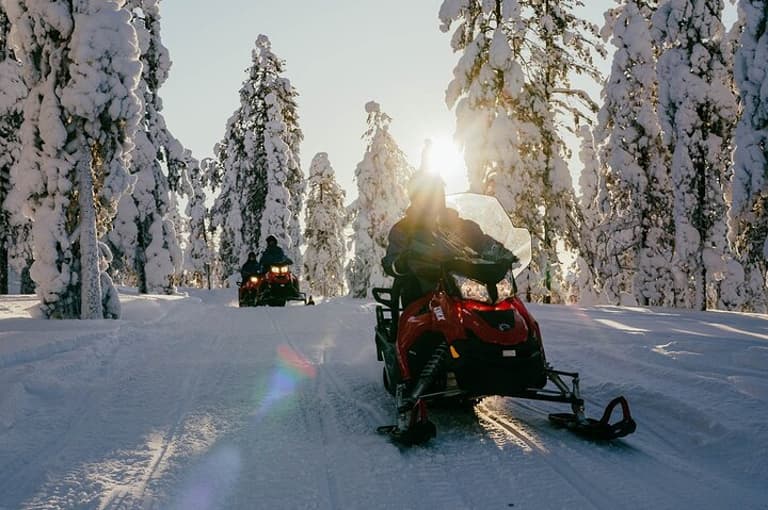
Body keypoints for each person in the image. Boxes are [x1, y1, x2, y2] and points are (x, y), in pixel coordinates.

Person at [382, 171, 516, 308]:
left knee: (507, 309)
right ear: (415, 198)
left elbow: (482, 242)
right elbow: (390, 261)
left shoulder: (460, 225)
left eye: (437, 194)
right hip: (424, 294)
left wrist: (503, 252)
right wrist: (400, 263)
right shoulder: (403, 229)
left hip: (465, 291)